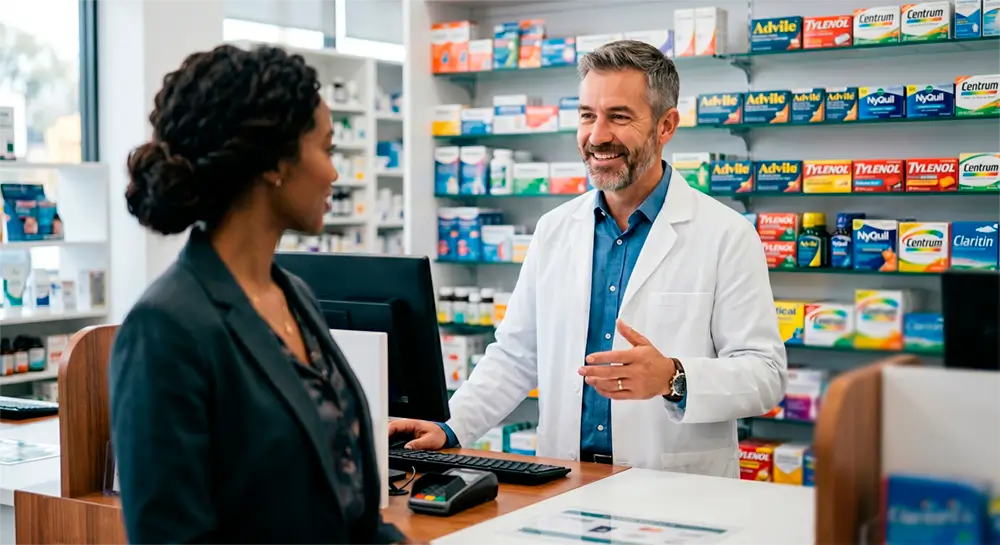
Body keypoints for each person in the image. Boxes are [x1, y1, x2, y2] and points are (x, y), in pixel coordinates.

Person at [390, 40, 787, 476]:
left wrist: (673, 378)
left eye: (618, 116)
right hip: (564, 479)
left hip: (674, 485)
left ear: (666, 125)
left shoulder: (725, 234)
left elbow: (765, 375)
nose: (597, 136)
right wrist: (451, 428)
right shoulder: (554, 229)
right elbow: (516, 355)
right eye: (586, 116)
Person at [108, 45, 422, 545]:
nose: (335, 173)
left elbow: (349, 511)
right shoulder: (164, 329)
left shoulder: (293, 296)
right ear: (275, 162)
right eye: (327, 149)